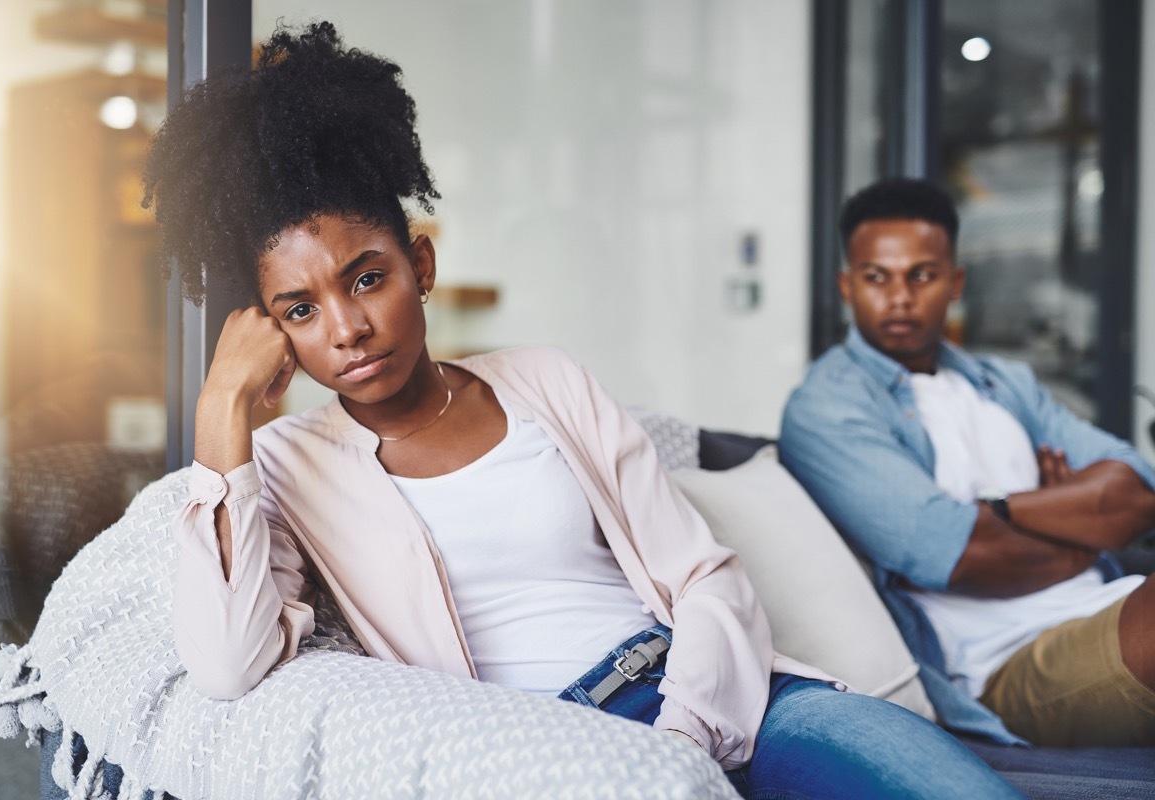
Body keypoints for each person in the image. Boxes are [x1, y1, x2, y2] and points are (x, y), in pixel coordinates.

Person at [144, 24, 1022, 798]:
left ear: (422, 265)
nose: (346, 328)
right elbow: (228, 665)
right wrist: (222, 410)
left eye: (367, 276)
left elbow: (703, 578)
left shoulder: (546, 381)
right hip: (560, 751)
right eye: (300, 310)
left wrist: (686, 736)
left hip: (714, 690)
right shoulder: (289, 466)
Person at [780, 177, 1155, 748]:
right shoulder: (827, 407)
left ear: (954, 283)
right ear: (846, 286)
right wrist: (1078, 525)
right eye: (876, 277)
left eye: (921, 275)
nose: (899, 297)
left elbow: (1137, 491)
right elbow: (956, 553)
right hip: (1006, 662)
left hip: (1111, 598)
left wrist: (997, 510)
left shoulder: (1003, 383)